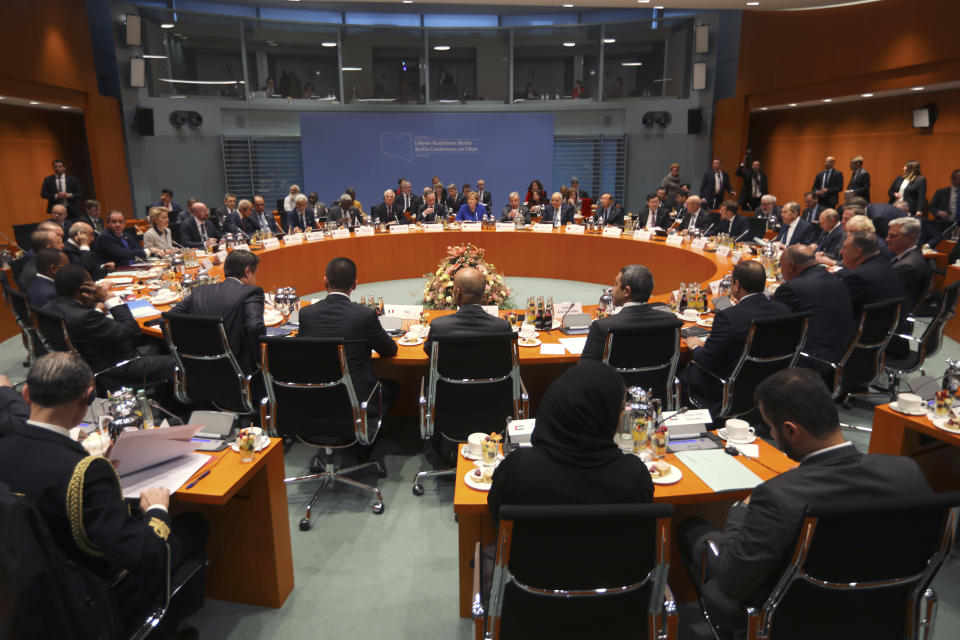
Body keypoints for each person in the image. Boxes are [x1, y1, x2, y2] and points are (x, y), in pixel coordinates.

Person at [679, 367, 930, 634]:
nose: (772, 436)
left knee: (691, 530)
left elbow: (733, 582)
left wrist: (742, 508)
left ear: (790, 431)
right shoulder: (908, 472)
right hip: (885, 610)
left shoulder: (779, 496)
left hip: (794, 620)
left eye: (771, 428)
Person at [0, 353, 208, 639]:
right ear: (87, 398)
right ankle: (166, 627)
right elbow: (144, 555)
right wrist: (156, 510)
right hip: (89, 597)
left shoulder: (6, 447)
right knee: (193, 526)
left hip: (20, 589)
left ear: (25, 395)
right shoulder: (83, 473)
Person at [488, 361, 654, 524]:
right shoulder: (634, 478)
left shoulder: (518, 470)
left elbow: (496, 519)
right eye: (621, 409)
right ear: (605, 417)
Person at [43, 265, 174, 387]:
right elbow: (132, 333)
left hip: (90, 361)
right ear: (84, 289)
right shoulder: (86, 317)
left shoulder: (48, 308)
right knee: (180, 363)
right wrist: (108, 298)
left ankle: (158, 393)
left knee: (156, 346)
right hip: (114, 369)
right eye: (92, 283)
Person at [298, 257, 399, 416]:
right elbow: (390, 350)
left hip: (317, 398)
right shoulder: (365, 315)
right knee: (392, 386)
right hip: (358, 401)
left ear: (325, 282)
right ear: (355, 284)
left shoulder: (305, 314)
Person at [681, 261, 789, 405]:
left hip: (726, 386)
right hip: (770, 381)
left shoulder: (728, 317)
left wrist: (696, 347)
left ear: (736, 285)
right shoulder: (783, 310)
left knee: (680, 371)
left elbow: (707, 361)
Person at [170, 250, 265, 375]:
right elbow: (255, 327)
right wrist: (259, 362)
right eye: (255, 274)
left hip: (197, 370)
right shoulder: (251, 292)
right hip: (237, 372)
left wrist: (184, 349)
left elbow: (166, 319)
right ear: (248, 272)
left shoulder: (199, 291)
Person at [774, 246, 855, 370]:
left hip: (813, 361)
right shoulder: (835, 279)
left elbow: (773, 326)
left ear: (791, 266)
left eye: (781, 265)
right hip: (847, 356)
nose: (780, 270)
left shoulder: (791, 289)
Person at [581, 265, 680, 362]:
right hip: (658, 378)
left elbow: (584, 368)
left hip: (614, 378)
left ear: (626, 291)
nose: (612, 289)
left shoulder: (602, 326)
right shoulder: (671, 320)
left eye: (616, 284)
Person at [423, 267, 513, 356]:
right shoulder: (503, 327)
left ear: (457, 293)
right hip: (490, 371)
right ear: (484, 293)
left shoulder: (438, 326)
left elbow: (429, 351)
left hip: (452, 371)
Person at [886, 216, 931, 315]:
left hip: (894, 319)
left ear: (909, 238)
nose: (887, 239)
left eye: (893, 236)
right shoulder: (909, 256)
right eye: (888, 235)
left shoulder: (908, 266)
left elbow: (883, 295)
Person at [16, 224, 64, 289]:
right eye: (59, 242)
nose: (63, 246)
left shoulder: (40, 262)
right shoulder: (41, 273)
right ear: (49, 248)